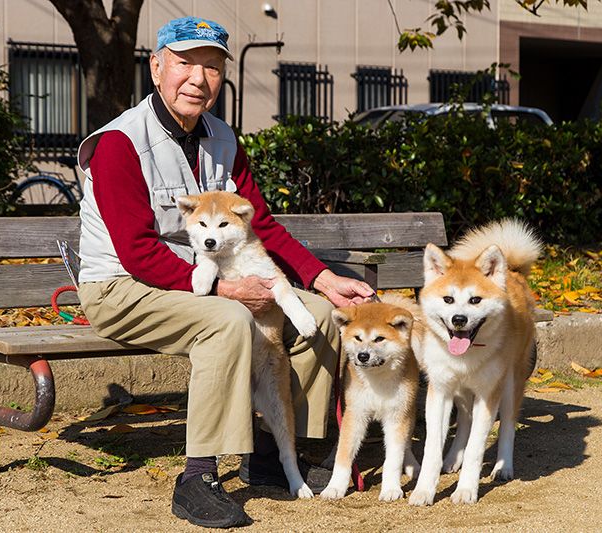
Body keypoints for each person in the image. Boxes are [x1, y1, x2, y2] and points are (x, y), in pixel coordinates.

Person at [75, 16, 375, 529]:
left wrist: (321, 279)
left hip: (199, 281)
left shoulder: (221, 138)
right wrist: (226, 288)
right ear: (156, 67)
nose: (198, 78)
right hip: (121, 287)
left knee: (319, 314)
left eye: (212, 68)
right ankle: (198, 477)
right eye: (185, 63)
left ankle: (273, 453)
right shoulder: (120, 142)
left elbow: (261, 226)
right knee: (228, 321)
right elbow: (137, 251)